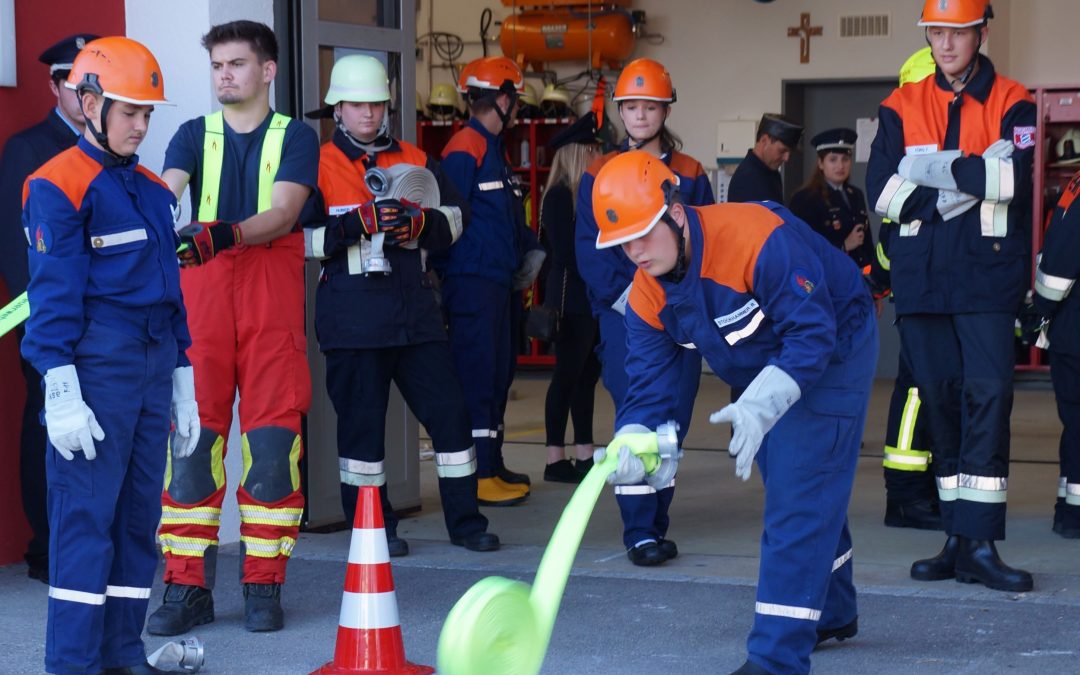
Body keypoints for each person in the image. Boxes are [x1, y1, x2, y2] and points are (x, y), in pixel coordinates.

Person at [592, 151, 876, 675]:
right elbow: (647, 386)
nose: (634, 252)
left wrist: (765, 400)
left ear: (675, 213)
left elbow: (813, 332)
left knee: (798, 497)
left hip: (834, 344)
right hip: (761, 361)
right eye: (622, 243)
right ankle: (832, 611)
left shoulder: (754, 238)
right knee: (803, 487)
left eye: (642, 234)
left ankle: (775, 661)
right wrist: (635, 438)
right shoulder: (647, 295)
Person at [22, 36, 196, 675]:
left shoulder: (153, 190)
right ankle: (73, 664)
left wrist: (183, 375)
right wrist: (60, 390)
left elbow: (170, 292)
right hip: (96, 370)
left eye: (148, 113)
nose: (142, 126)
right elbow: (53, 299)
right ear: (90, 103)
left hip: (152, 369)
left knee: (136, 520)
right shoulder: (55, 185)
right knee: (84, 524)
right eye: (130, 112)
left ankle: (122, 655)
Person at [147, 20, 320, 634]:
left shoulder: (296, 136)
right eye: (218, 65)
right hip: (206, 299)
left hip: (270, 296)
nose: (225, 74)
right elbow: (167, 197)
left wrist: (227, 232)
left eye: (237, 64)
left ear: (267, 71)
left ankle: (263, 585)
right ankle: (185, 587)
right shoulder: (193, 134)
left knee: (273, 447)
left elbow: (286, 212)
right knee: (192, 442)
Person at [866, 0, 1035, 592]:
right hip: (923, 283)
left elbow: (1011, 181)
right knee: (939, 406)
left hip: (986, 281)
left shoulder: (1015, 101)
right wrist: (965, 173)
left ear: (979, 32)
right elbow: (883, 193)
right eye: (936, 33)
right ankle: (956, 541)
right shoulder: (899, 105)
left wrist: (927, 170)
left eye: (957, 33)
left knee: (987, 404)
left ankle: (982, 543)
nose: (945, 44)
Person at [302, 54, 498, 554]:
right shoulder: (317, 165)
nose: (368, 114)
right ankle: (375, 532)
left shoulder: (415, 156)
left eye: (376, 104)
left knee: (451, 418)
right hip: (352, 319)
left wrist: (419, 225)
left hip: (415, 314)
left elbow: (457, 218)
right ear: (337, 110)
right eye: (356, 105)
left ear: (387, 106)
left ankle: (467, 524)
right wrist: (354, 224)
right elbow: (299, 240)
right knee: (363, 435)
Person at [575, 58, 713, 566]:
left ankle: (657, 522)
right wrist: (630, 301)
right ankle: (638, 531)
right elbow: (591, 251)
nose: (639, 115)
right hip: (625, 314)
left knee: (674, 420)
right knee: (637, 419)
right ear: (620, 112)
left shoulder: (692, 173)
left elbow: (701, 238)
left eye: (648, 106)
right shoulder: (598, 172)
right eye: (630, 106)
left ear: (664, 109)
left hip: (682, 313)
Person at [0, 32, 99, 585]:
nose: (85, 93)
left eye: (93, 83)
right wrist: (42, 322)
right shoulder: (27, 146)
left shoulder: (111, 147)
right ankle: (45, 547)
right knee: (46, 424)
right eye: (74, 82)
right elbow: (15, 248)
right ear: (54, 85)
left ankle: (85, 542)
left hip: (103, 319)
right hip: (46, 317)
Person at [432, 56, 543, 506]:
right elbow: (448, 218)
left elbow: (503, 217)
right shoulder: (465, 147)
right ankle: (476, 475)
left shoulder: (492, 149)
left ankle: (491, 463)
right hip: (471, 283)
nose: (517, 109)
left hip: (497, 282)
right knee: (478, 376)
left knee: (498, 375)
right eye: (515, 99)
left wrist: (528, 248)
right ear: (502, 98)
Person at [872, 47, 943, 531]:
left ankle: (925, 486)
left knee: (937, 390)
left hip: (941, 288)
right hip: (922, 291)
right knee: (917, 391)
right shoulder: (907, 144)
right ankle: (903, 493)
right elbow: (890, 232)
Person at [540, 112, 603, 484]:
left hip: (588, 297)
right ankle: (554, 458)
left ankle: (584, 451)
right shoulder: (561, 196)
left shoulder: (584, 197)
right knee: (566, 376)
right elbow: (565, 253)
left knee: (586, 377)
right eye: (592, 148)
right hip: (571, 299)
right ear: (577, 153)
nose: (598, 154)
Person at [1029, 169, 1080, 537]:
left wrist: (1039, 311)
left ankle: (1071, 513)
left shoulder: (1077, 187)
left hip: (1074, 329)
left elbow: (1061, 256)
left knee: (1077, 423)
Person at [789, 128, 876, 270]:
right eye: (833, 159)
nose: (840, 166)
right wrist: (844, 245)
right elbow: (801, 247)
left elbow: (867, 242)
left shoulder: (855, 194)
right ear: (821, 163)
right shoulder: (805, 198)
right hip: (829, 278)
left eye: (845, 159)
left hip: (860, 275)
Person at [727, 113, 803, 204]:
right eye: (782, 150)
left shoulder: (769, 172)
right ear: (764, 140)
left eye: (789, 153)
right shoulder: (748, 178)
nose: (786, 158)